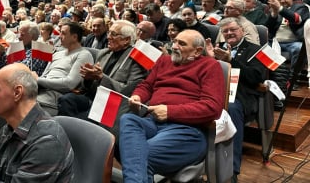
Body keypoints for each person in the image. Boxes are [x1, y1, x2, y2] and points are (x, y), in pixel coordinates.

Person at [119, 30, 225, 182]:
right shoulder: (164, 61)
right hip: (153, 122)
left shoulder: (210, 66)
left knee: (138, 156)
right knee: (128, 119)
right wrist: (138, 96)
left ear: (197, 51)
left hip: (187, 130)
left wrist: (170, 111)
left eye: (181, 44)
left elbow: (212, 107)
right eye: (174, 41)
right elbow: (147, 85)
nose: (174, 46)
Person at [206, 17, 266, 182]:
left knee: (230, 108)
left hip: (241, 96)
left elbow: (256, 77)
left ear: (243, 31)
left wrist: (231, 60)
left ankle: (230, 171)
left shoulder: (255, 49)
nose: (229, 33)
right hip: (214, 92)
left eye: (233, 29)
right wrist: (209, 58)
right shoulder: (217, 49)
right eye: (225, 31)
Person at [58, 20, 148, 122]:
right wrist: (88, 78)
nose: (108, 37)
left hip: (111, 104)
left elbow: (128, 90)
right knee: (66, 100)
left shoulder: (137, 59)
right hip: (92, 97)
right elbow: (85, 87)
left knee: (80, 120)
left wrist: (101, 77)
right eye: (109, 32)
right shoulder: (103, 53)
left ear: (126, 40)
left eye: (113, 34)